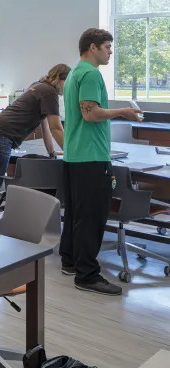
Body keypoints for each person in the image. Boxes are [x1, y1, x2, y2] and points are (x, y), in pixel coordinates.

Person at [60, 28, 142, 297]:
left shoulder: (74, 72)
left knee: (75, 214)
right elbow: (91, 114)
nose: (110, 51)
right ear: (92, 47)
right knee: (91, 217)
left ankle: (70, 262)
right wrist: (123, 111)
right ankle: (87, 275)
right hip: (91, 156)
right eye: (107, 46)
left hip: (74, 156)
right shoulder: (91, 73)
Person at [0, 64, 70, 217]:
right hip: (0, 136)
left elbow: (45, 126)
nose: (68, 88)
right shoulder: (50, 92)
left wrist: (51, 151)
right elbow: (56, 127)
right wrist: (71, 152)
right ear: (60, 79)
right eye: (68, 83)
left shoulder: (39, 86)